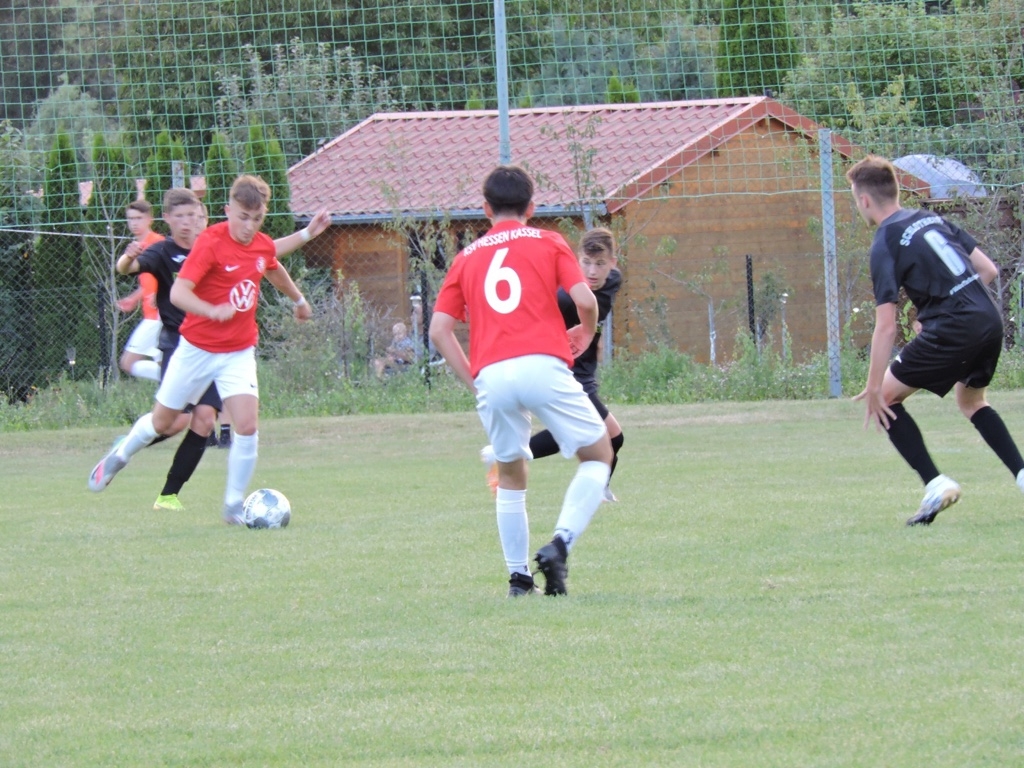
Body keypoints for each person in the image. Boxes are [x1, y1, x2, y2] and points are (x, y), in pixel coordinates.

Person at [89, 175, 319, 525]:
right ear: (227, 210)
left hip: (238, 351)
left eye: (257, 219)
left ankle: (232, 506)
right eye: (243, 217)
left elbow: (271, 262)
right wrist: (212, 311)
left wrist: (299, 299)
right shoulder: (210, 242)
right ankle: (119, 456)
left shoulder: (258, 244)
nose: (249, 226)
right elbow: (179, 293)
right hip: (196, 349)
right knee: (163, 422)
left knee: (247, 425)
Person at [429, 165, 613, 597]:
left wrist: (476, 381)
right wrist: (586, 332)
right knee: (598, 454)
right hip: (542, 363)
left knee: (511, 475)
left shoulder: (465, 258)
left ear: (485, 209)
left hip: (492, 372)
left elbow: (439, 330)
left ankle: (519, 579)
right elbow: (585, 299)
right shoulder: (548, 241)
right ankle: (560, 545)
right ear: (532, 207)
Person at [847, 155, 1024, 525]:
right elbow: (988, 270)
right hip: (987, 319)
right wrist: (944, 311)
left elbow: (886, 327)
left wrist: (874, 385)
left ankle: (935, 484)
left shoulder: (885, 242)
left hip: (955, 327)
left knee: (887, 399)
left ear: (864, 199)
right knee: (972, 401)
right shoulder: (932, 219)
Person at [480, 227, 624, 502]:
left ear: (612, 263)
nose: (592, 271)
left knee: (588, 434)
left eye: (600, 264)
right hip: (568, 372)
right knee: (612, 437)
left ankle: (505, 454)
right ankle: (596, 491)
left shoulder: (613, 281)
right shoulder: (565, 298)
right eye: (586, 263)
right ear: (577, 260)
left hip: (585, 371)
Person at [117, 200, 165, 382]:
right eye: (130, 219)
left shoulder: (158, 243)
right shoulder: (137, 247)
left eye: (138, 218)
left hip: (158, 316)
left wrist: (161, 294)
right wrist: (134, 298)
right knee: (164, 363)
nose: (134, 223)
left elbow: (171, 276)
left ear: (150, 219)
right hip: (152, 314)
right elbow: (148, 283)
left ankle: (176, 379)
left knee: (128, 363)